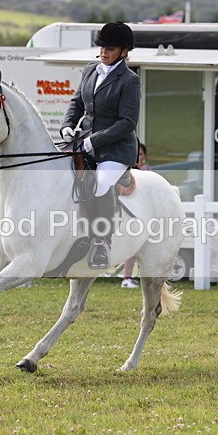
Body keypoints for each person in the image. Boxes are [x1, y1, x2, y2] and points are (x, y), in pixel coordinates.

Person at [60, 21, 140, 270]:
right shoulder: (90, 70)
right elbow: (76, 103)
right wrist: (67, 125)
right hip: (84, 140)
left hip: (116, 148)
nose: (104, 52)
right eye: (102, 47)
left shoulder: (130, 80)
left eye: (110, 48)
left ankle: (102, 242)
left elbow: (127, 123)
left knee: (100, 183)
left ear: (124, 51)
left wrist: (93, 140)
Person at [121, 143, 151, 288]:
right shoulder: (128, 173)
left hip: (146, 214)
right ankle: (127, 278)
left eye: (140, 154)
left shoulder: (148, 172)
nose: (138, 157)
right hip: (133, 213)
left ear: (145, 156)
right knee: (132, 248)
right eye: (136, 154)